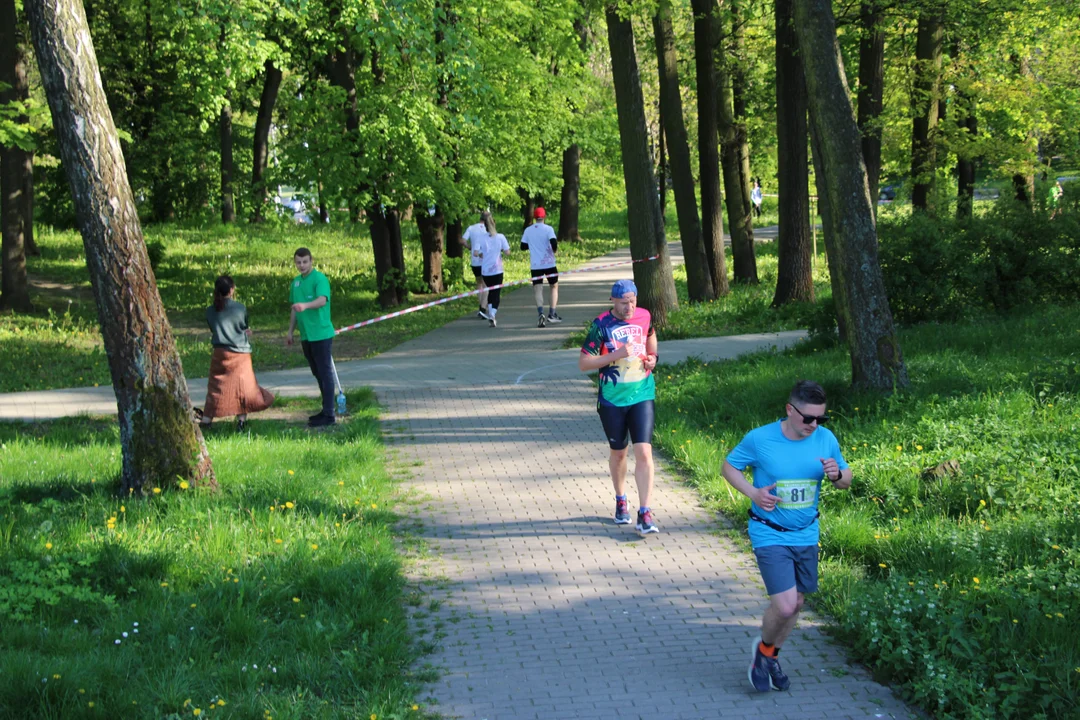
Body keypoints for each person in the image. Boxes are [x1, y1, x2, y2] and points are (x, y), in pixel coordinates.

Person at [721, 380, 851, 692]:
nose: (814, 424)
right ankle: (763, 654)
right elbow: (729, 467)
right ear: (789, 410)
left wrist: (837, 475)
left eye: (821, 418)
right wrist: (753, 493)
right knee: (785, 605)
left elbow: (846, 480)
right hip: (769, 532)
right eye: (808, 418)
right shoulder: (761, 439)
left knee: (798, 602)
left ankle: (768, 655)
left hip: (806, 533)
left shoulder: (826, 439)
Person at [578, 279, 660, 536]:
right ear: (612, 301)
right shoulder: (601, 324)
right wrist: (617, 354)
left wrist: (652, 358)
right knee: (619, 453)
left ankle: (645, 511)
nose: (629, 307)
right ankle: (621, 498)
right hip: (612, 399)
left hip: (641, 393)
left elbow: (651, 335)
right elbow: (584, 363)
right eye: (624, 303)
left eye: (633, 301)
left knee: (644, 452)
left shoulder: (645, 316)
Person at [197, 275, 274, 431]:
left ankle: (207, 419)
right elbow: (243, 325)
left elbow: (214, 328)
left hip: (220, 352)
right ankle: (241, 421)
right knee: (243, 388)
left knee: (215, 386)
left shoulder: (210, 310)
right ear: (232, 290)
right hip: (240, 353)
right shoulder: (240, 308)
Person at [286, 247, 337, 427]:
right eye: (298, 262)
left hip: (321, 334)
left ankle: (330, 414)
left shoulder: (319, 279)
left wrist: (306, 306)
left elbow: (322, 300)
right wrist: (291, 331)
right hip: (306, 335)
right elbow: (294, 308)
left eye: (305, 261)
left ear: (311, 261)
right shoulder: (296, 283)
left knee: (325, 372)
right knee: (317, 373)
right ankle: (325, 409)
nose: (301, 265)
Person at [520, 207, 562, 327]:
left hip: (536, 265)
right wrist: (554, 250)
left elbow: (523, 246)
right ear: (544, 216)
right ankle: (552, 314)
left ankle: (540, 313)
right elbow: (554, 242)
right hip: (549, 264)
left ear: (534, 217)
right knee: (554, 286)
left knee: (538, 289)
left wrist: (533, 246)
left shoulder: (528, 230)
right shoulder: (548, 229)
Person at [476, 214, 511, 328]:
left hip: (486, 271)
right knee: (496, 293)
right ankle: (492, 314)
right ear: (494, 224)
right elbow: (507, 252)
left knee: (491, 291)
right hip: (497, 270)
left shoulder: (481, 238)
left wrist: (483, 254)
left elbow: (476, 253)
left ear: (485, 226)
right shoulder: (500, 237)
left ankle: (491, 314)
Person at [462, 211, 492, 318]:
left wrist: (469, 247)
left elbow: (463, 240)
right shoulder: (488, 229)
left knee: (479, 283)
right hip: (485, 260)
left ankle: (481, 305)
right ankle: (483, 309)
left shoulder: (471, 228)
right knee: (486, 285)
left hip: (474, 261)